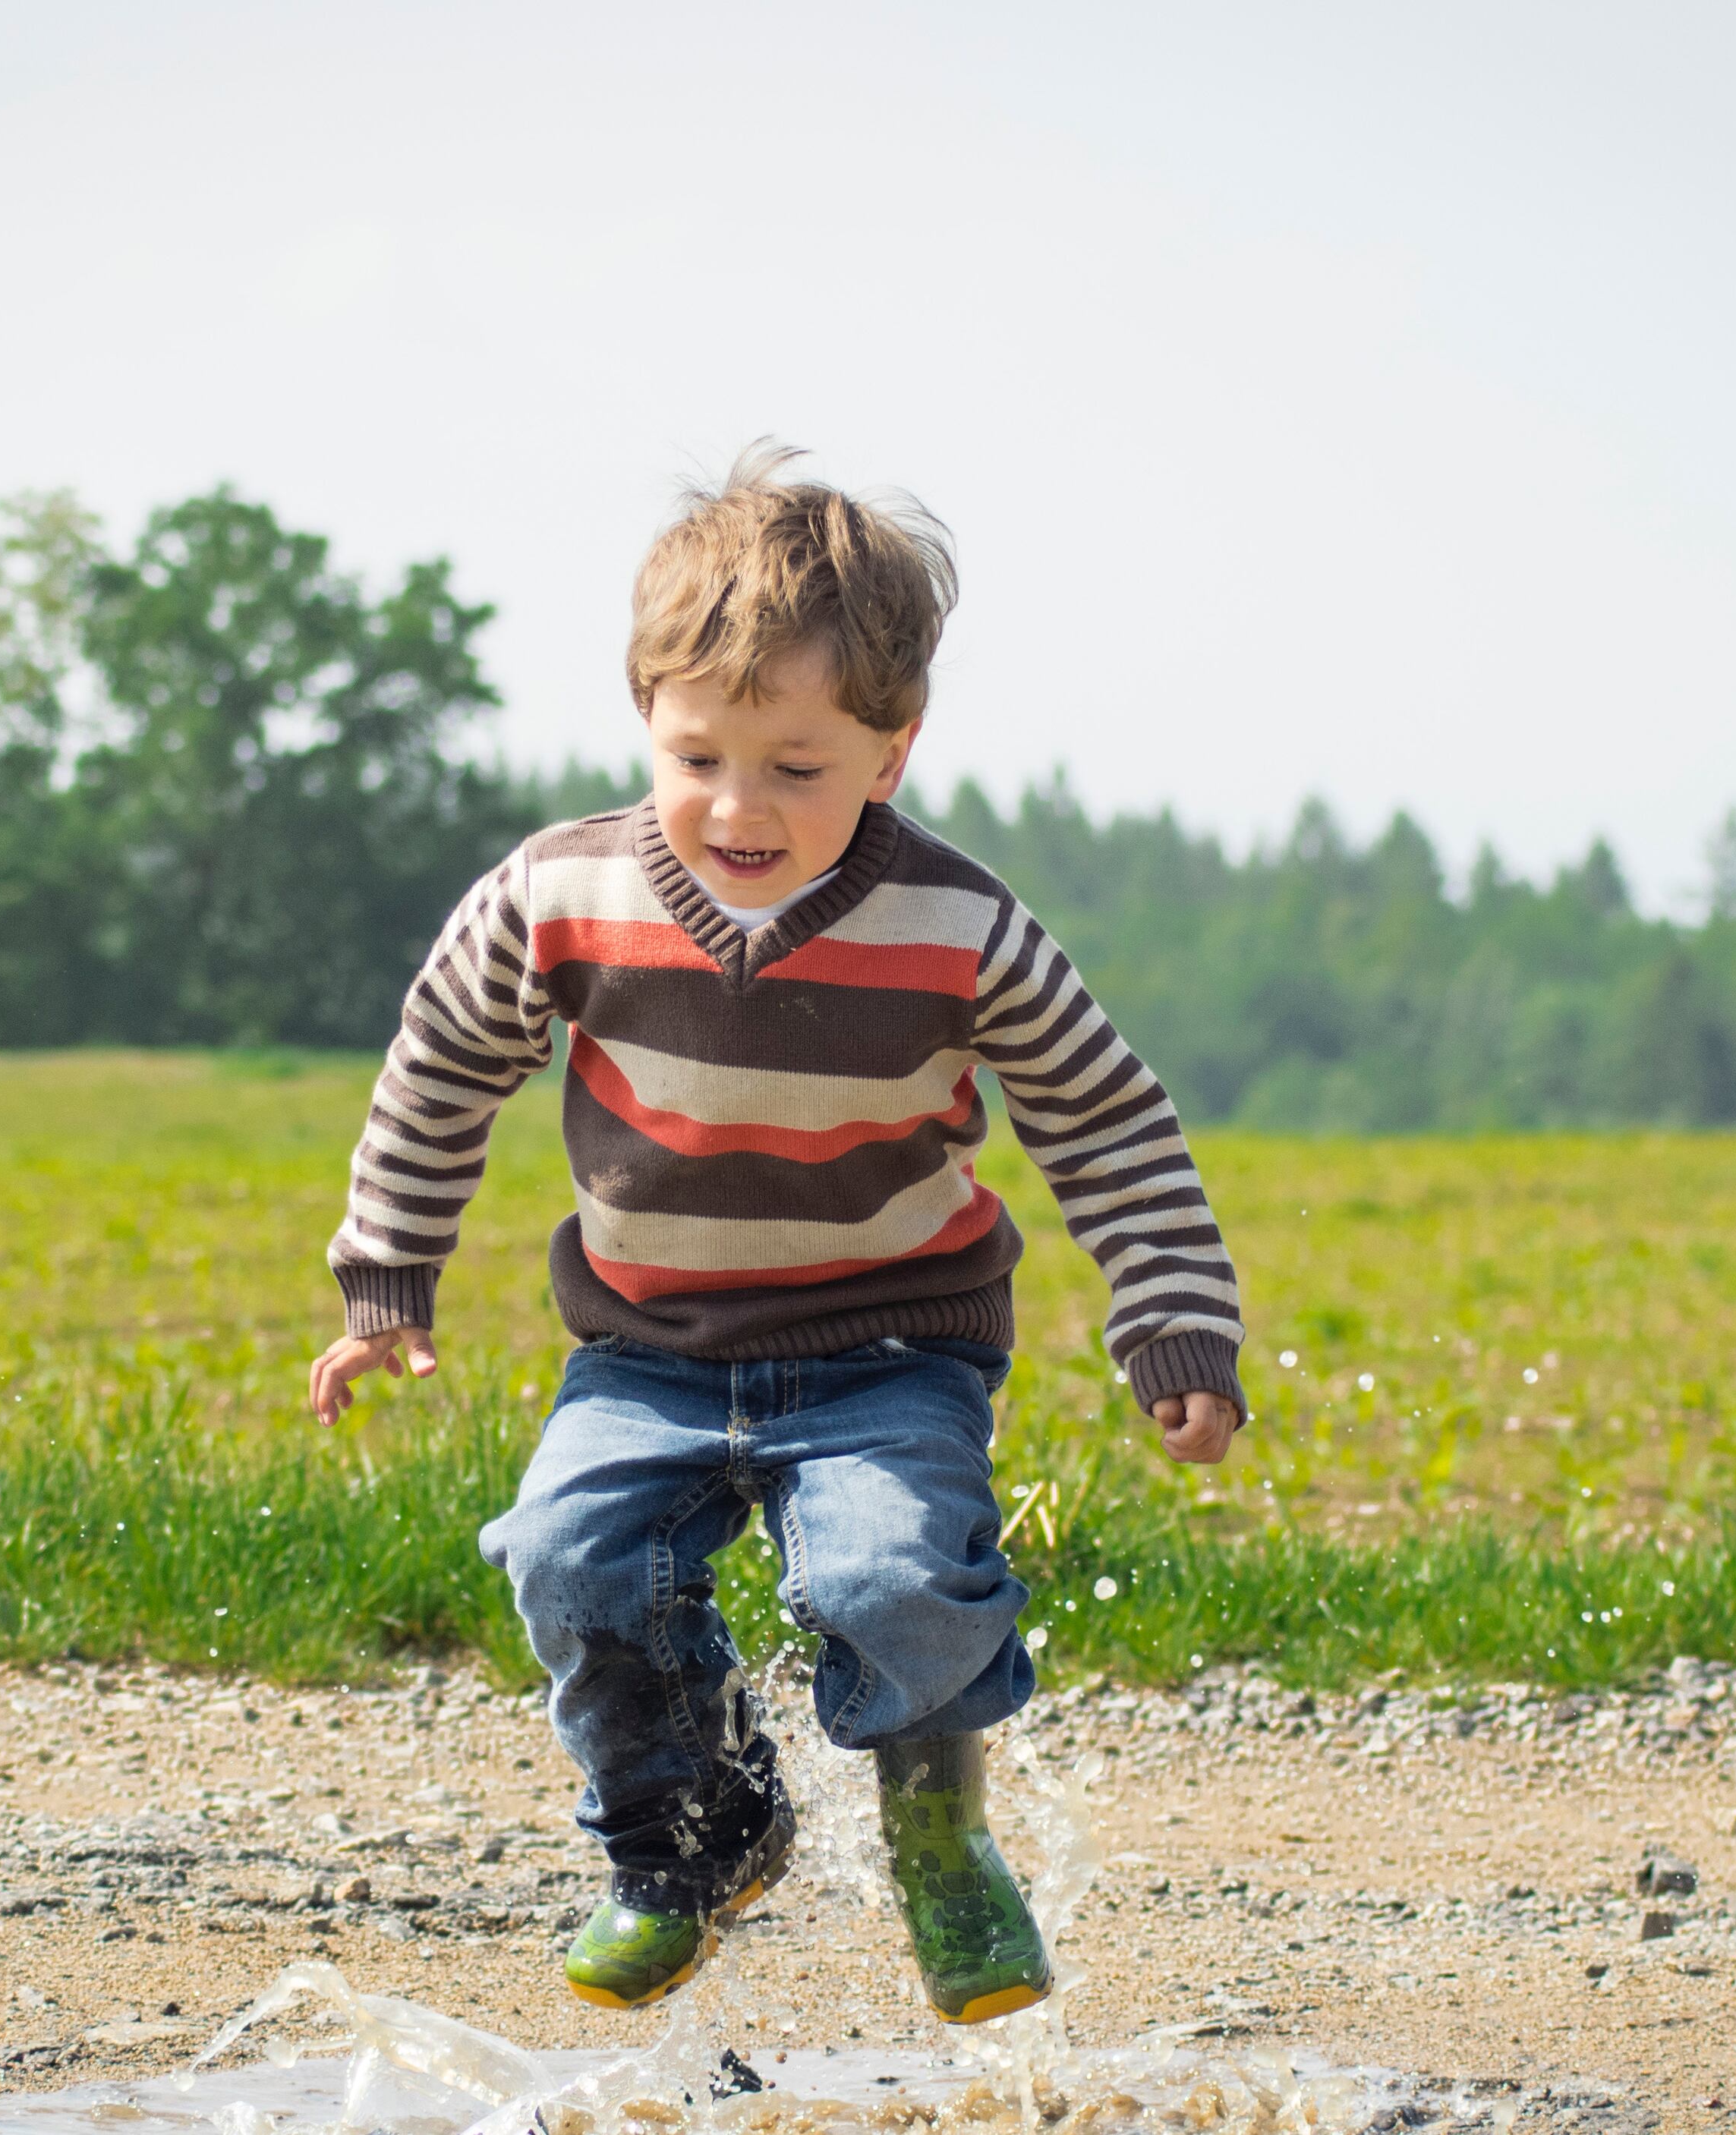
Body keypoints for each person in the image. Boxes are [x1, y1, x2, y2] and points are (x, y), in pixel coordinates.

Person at [307, 443, 1248, 2023]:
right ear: (648, 723)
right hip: (646, 1350)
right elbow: (441, 1065)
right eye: (699, 758)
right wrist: (385, 1272)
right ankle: (693, 1840)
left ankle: (939, 1828)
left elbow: (1104, 1121)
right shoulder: (559, 893)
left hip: (892, 1347)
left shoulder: (964, 930)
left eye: (796, 768)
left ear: (891, 750)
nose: (738, 808)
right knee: (568, 1560)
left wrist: (1172, 1322)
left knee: (890, 1584)